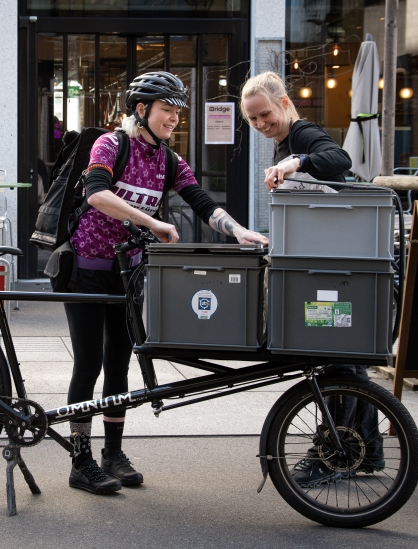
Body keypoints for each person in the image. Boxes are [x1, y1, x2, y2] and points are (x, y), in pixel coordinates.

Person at [63, 71, 268, 494]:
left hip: (127, 275)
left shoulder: (169, 161)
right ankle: (80, 459)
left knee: (120, 363)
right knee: (89, 365)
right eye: (166, 111)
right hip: (86, 270)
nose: (174, 119)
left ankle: (112, 454)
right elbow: (96, 195)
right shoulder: (110, 144)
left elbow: (202, 201)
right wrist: (151, 220)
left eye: (178, 113)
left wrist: (238, 231)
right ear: (142, 110)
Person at [240, 71, 383, 487]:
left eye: (265, 113)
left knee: (337, 359)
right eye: (253, 119)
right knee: (346, 358)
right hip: (333, 263)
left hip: (337, 267)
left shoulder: (302, 133)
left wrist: (296, 160)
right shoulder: (285, 140)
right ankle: (367, 451)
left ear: (284, 103)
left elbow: (340, 160)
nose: (262, 123)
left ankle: (330, 453)